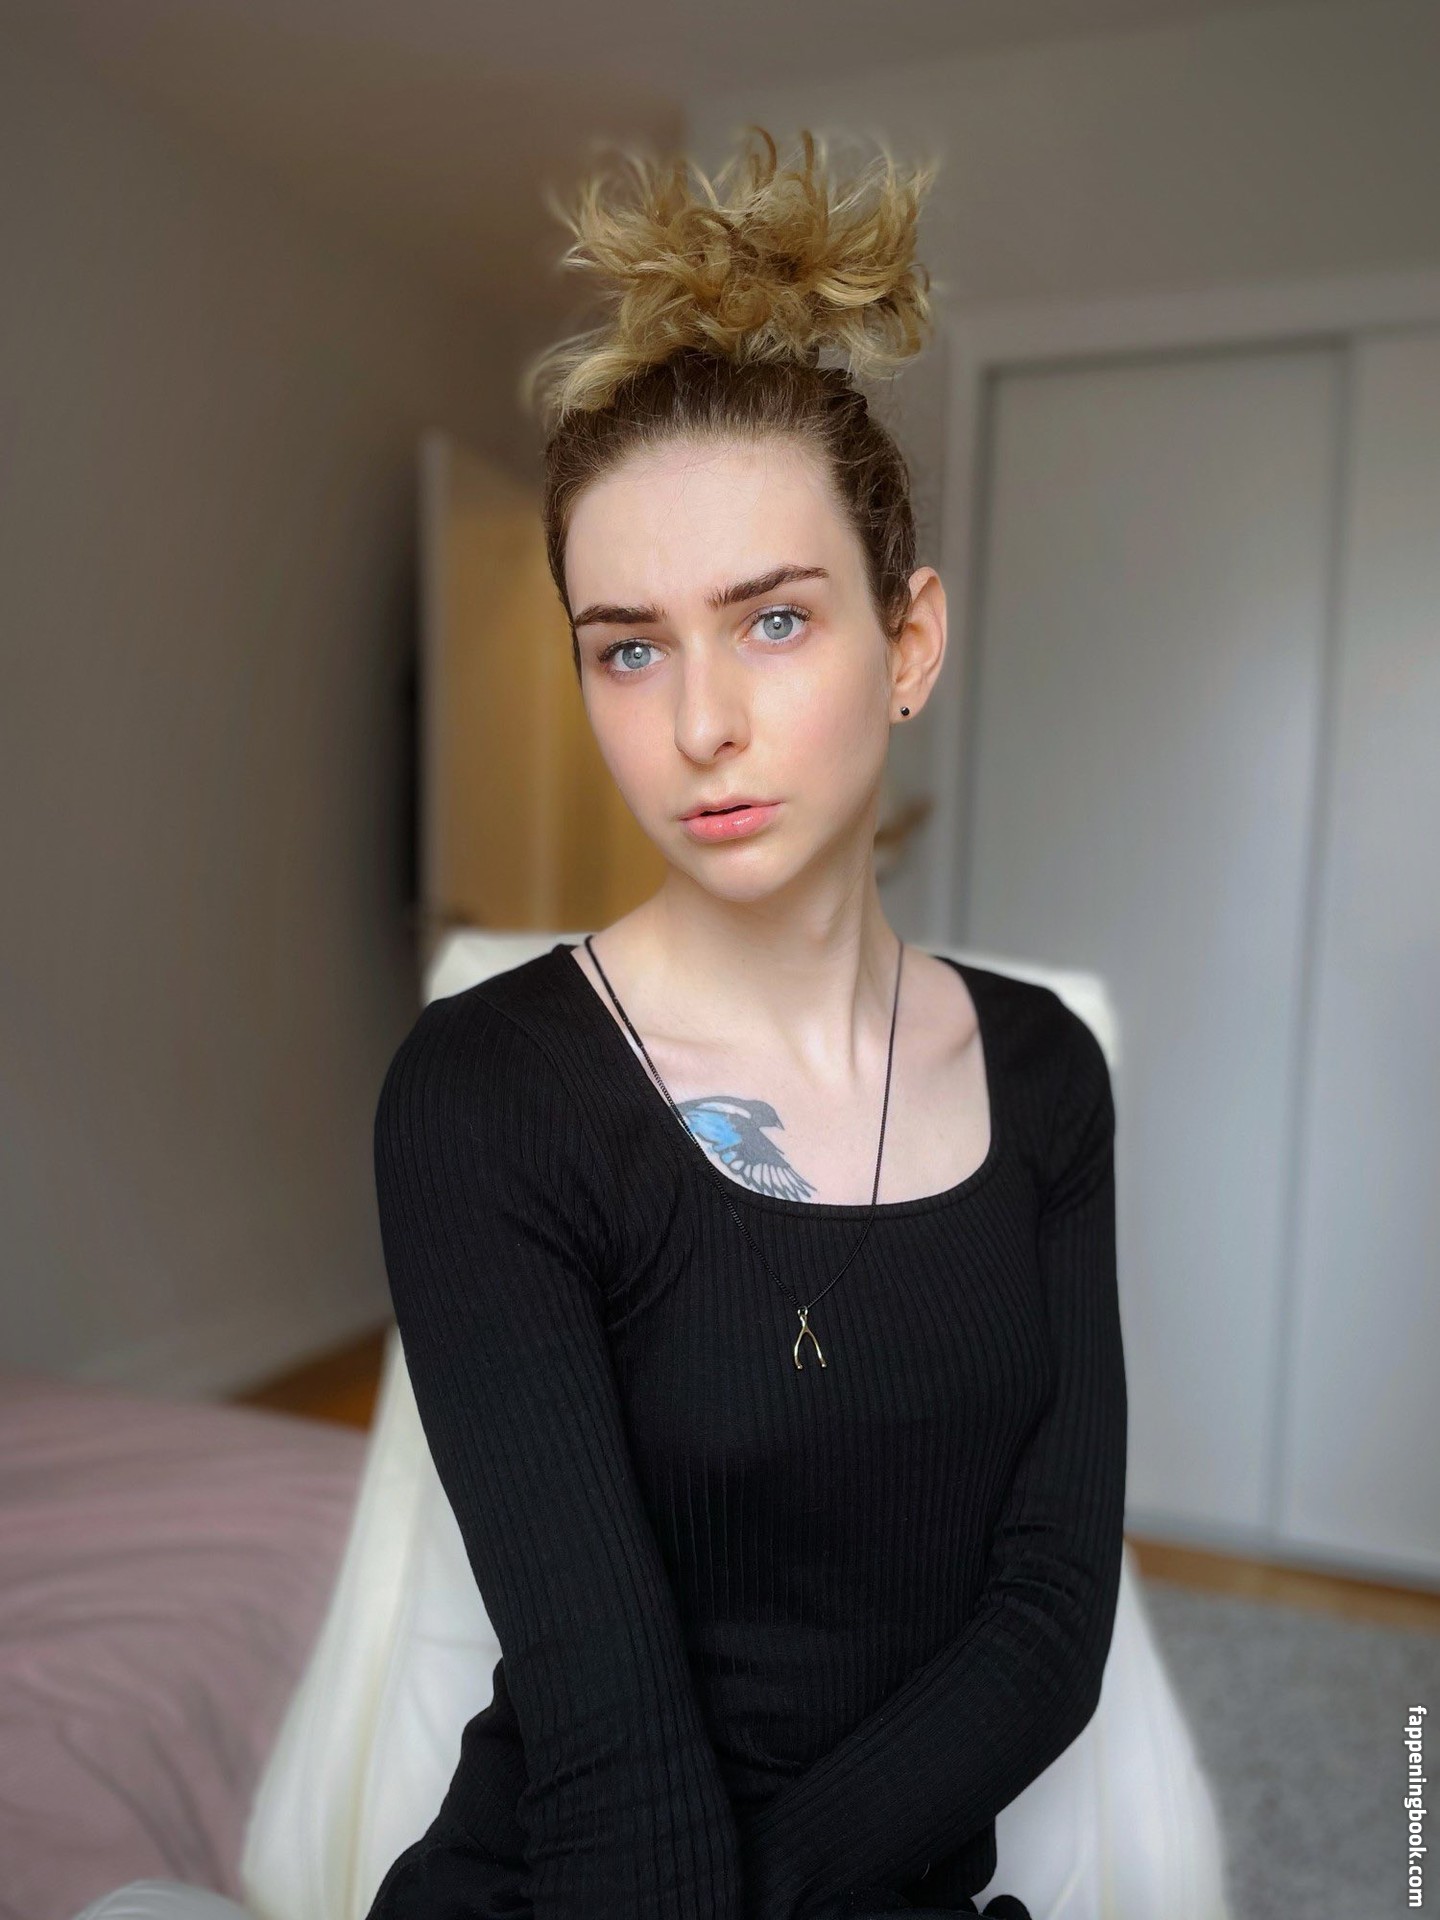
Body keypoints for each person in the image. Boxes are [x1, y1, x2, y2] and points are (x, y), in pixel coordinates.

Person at [365, 125, 1127, 1920]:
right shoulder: (488, 1094)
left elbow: (1045, 1627)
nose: (699, 724)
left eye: (772, 622)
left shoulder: (1044, 1075)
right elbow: (615, 1766)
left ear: (908, 642)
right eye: (628, 647)